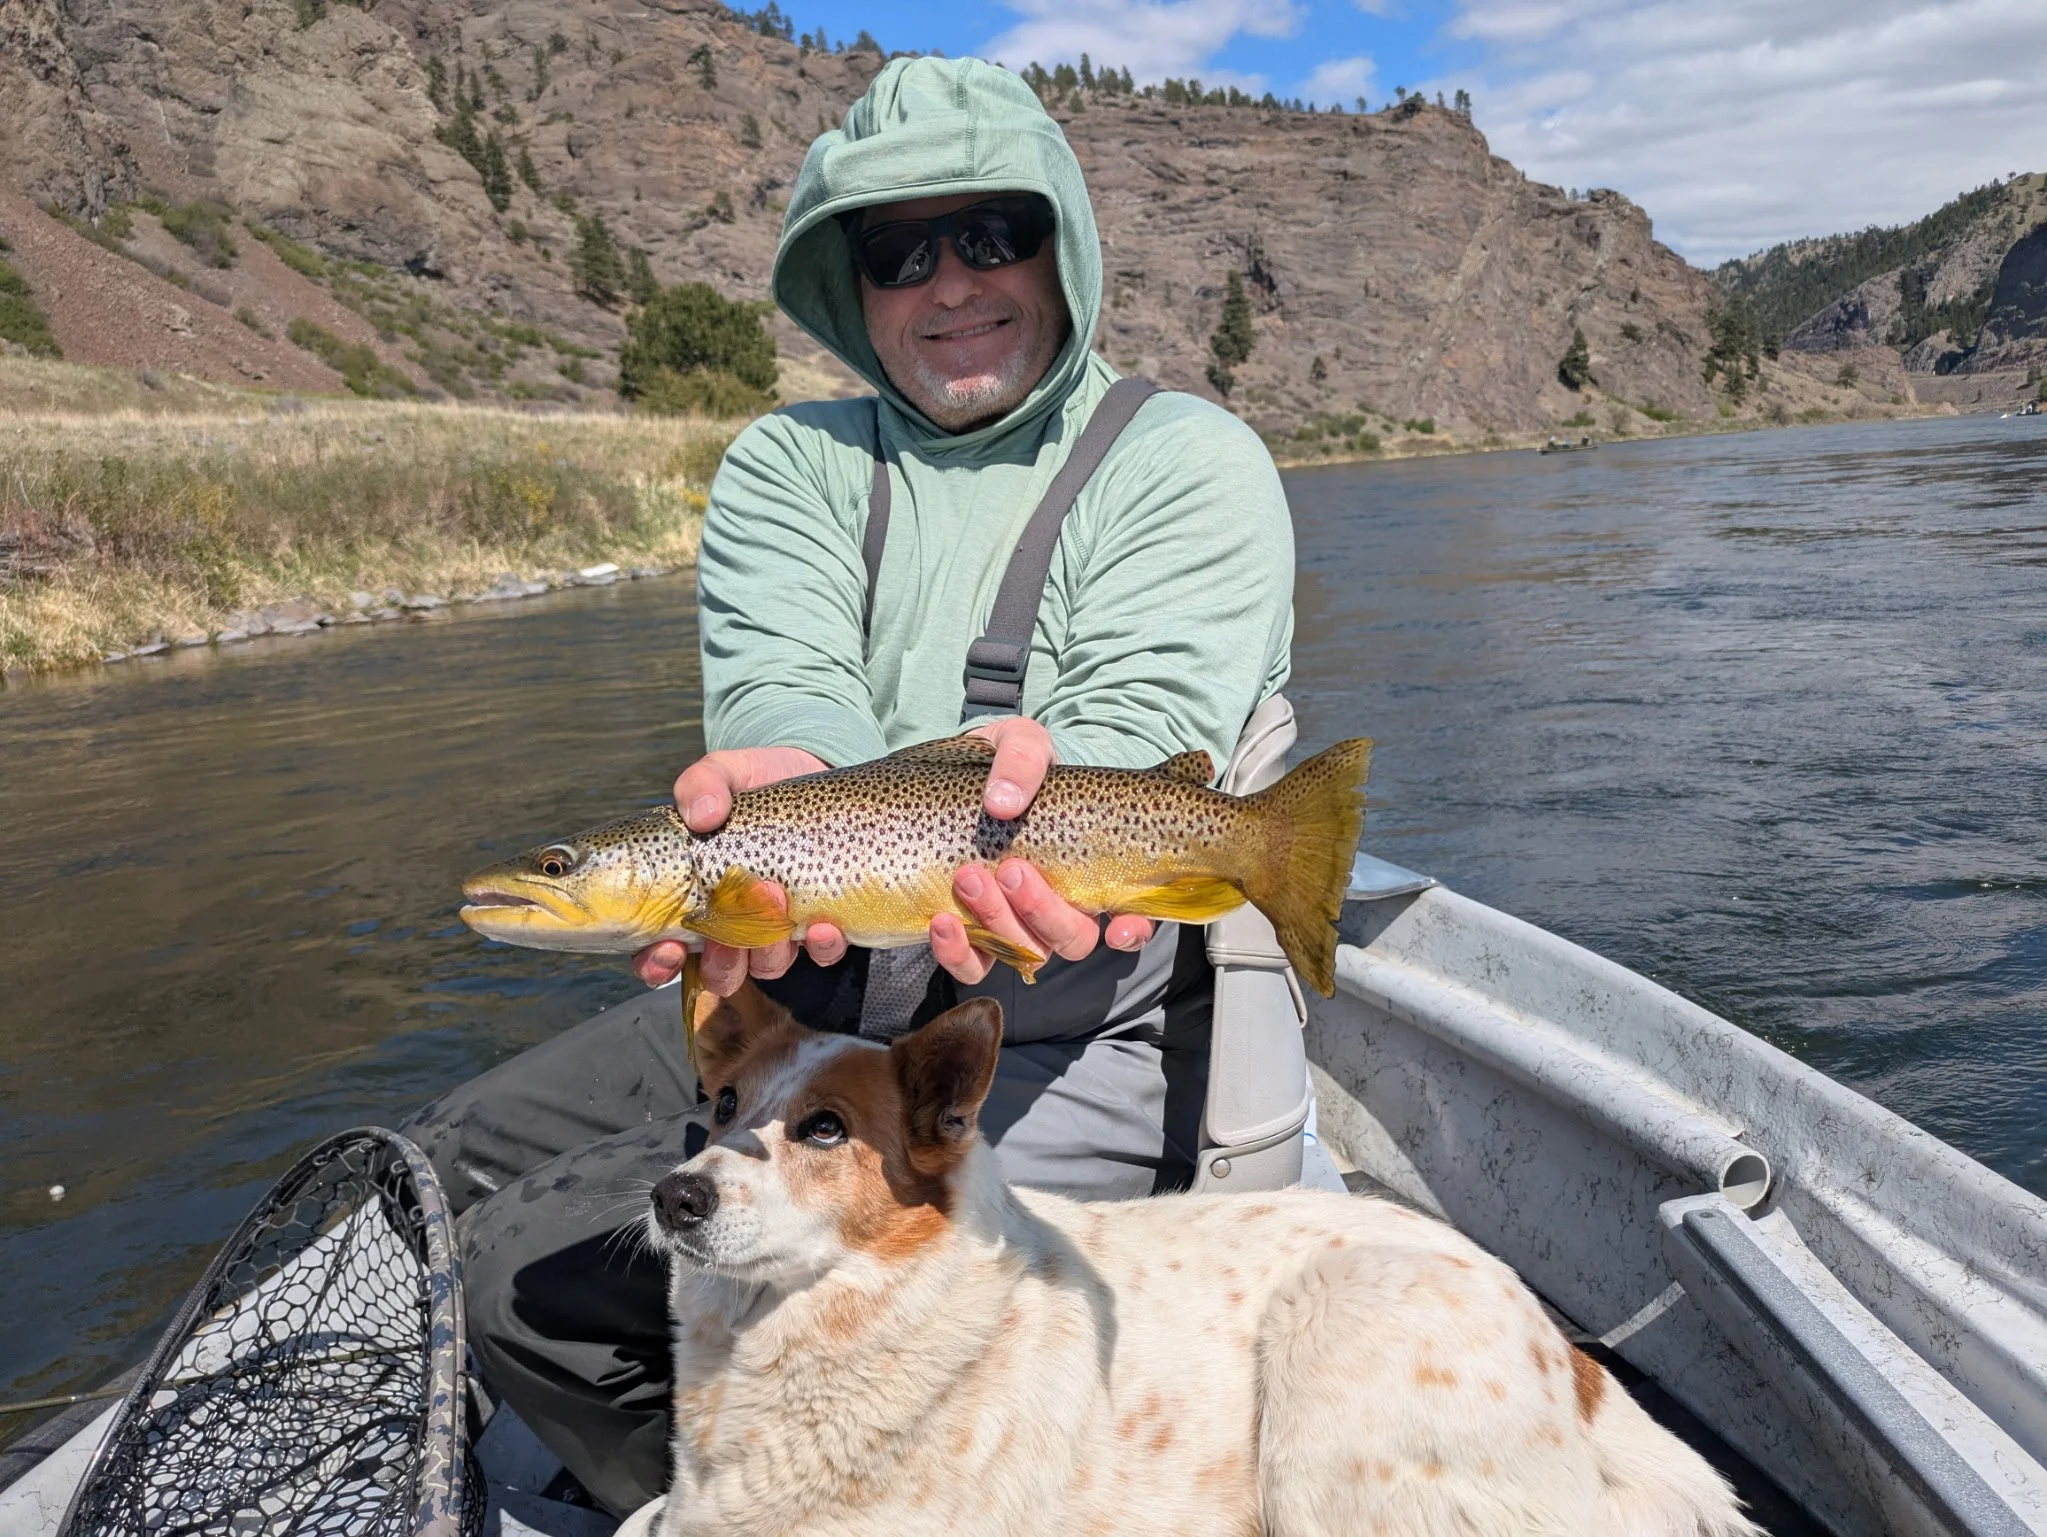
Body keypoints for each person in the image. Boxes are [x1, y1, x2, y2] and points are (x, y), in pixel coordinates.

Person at [402, 56, 1295, 1515]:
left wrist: (1068, 812)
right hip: (795, 995)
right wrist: (787, 778)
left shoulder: (1188, 459)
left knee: (525, 1291)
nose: (948, 283)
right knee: (438, 1167)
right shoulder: (784, 464)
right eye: (896, 251)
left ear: (1061, 245)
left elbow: (1142, 713)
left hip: (1021, 1013)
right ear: (847, 284)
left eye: (990, 235)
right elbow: (786, 698)